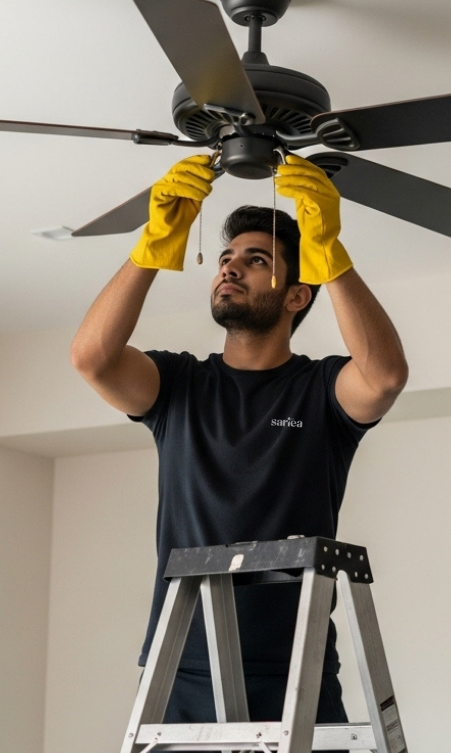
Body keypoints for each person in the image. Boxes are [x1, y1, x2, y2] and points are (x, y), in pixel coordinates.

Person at [70, 152, 408, 724]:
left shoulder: (321, 391)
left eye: (256, 260)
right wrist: (154, 244)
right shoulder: (179, 385)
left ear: (297, 295)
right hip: (181, 663)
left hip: (294, 668)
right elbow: (92, 359)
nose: (230, 269)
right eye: (226, 258)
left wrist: (329, 253)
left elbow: (384, 377)